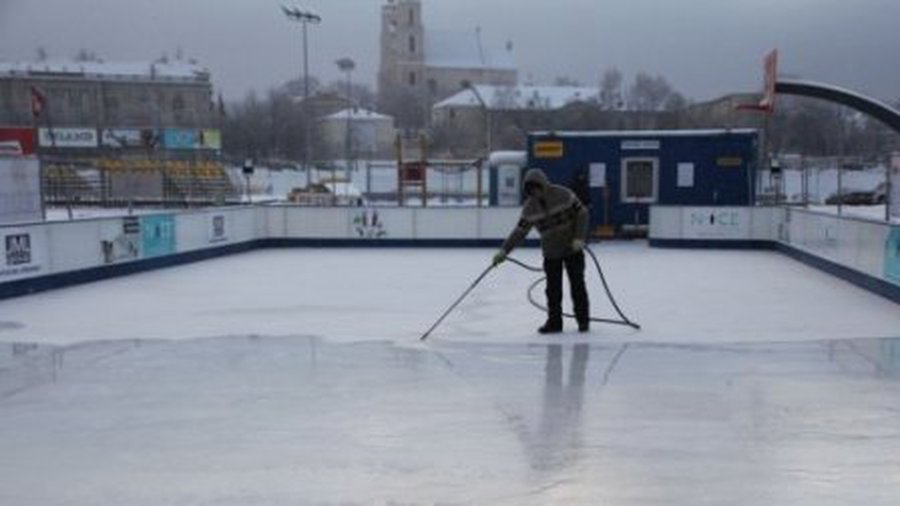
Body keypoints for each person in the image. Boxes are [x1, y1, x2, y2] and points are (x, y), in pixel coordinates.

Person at [493, 168, 590, 334]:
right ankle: (554, 323)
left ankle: (583, 321)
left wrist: (579, 237)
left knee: (577, 286)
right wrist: (504, 251)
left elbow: (582, 213)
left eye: (536, 188)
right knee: (553, 290)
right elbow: (519, 232)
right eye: (530, 190)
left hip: (573, 249)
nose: (534, 193)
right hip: (551, 253)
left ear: (543, 184)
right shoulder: (530, 208)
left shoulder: (564, 194)